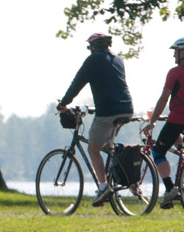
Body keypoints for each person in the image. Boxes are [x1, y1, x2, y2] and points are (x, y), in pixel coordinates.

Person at [57, 32, 134, 207]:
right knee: (108, 146)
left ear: (93, 47)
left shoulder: (93, 60)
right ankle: (128, 178)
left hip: (108, 110)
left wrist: (64, 103)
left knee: (93, 149)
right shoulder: (118, 60)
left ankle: (103, 186)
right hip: (127, 109)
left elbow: (78, 82)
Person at [141, 37, 184, 209]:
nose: (173, 56)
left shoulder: (176, 72)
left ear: (183, 52)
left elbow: (164, 99)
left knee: (158, 151)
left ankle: (170, 188)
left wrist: (152, 122)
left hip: (178, 119)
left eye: (175, 52)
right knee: (175, 138)